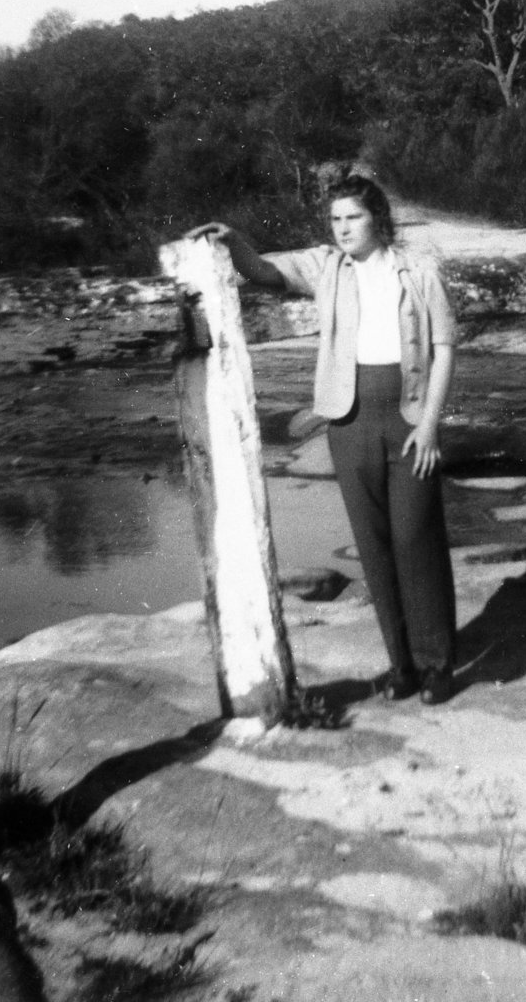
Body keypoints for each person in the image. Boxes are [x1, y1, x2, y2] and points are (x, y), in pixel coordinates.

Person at [192, 176, 458, 705]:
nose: (342, 229)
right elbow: (267, 272)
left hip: (407, 416)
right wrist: (234, 240)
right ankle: (401, 666)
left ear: (377, 220)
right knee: (375, 547)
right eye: (335, 219)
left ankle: (438, 666)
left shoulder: (419, 270)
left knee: (415, 539)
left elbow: (445, 348)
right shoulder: (326, 267)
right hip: (348, 419)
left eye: (352, 218)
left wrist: (429, 426)